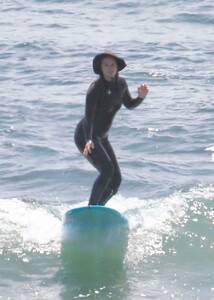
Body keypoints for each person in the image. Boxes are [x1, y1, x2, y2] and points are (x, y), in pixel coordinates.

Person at [74, 51, 149, 206]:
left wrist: (141, 98)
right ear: (100, 68)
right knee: (107, 171)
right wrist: (88, 140)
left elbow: (129, 104)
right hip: (86, 135)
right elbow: (89, 117)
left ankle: (99, 208)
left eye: (112, 65)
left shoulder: (121, 84)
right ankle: (91, 208)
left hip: (102, 137)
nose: (110, 68)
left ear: (117, 67)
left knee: (116, 179)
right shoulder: (95, 88)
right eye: (106, 65)